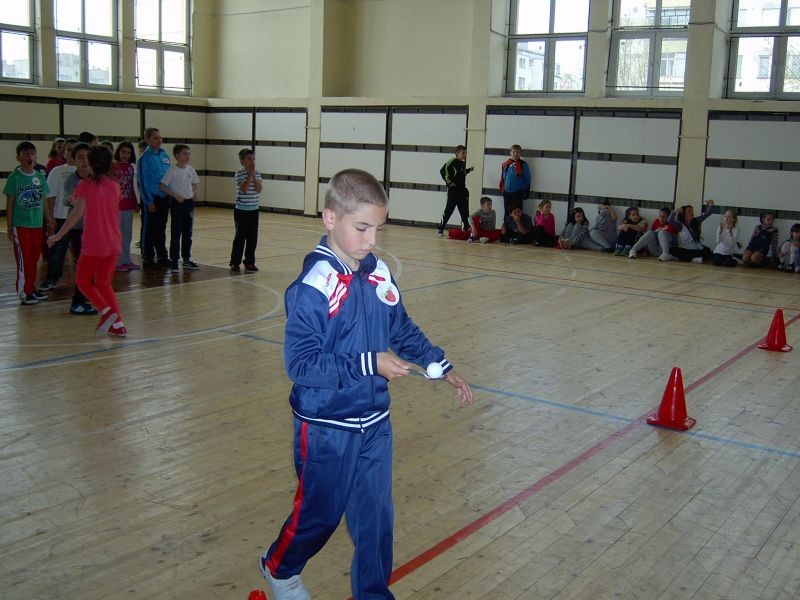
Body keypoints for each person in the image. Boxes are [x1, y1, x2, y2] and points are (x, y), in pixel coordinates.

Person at [259, 168, 473, 600]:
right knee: (320, 515)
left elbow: (400, 326)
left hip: (375, 422)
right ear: (330, 218)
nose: (372, 240)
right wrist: (370, 363)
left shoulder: (378, 273)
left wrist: (438, 362)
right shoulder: (313, 287)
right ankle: (279, 569)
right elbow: (301, 364)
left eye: (378, 228)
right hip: (325, 425)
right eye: (362, 228)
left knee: (375, 519)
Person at [48, 146, 126, 338]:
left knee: (82, 280)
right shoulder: (114, 185)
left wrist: (58, 235)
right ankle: (118, 325)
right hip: (113, 243)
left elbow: (76, 215)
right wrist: (79, 199)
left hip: (95, 243)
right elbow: (101, 204)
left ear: (92, 163)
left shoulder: (86, 185)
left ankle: (106, 311)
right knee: (104, 284)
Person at [4, 141, 51, 305]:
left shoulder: (39, 176)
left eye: (32, 153)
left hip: (37, 224)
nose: (29, 156)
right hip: (21, 225)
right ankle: (24, 291)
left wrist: (49, 220)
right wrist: (9, 225)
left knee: (34, 258)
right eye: (25, 153)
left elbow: (44, 200)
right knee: (24, 259)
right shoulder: (14, 178)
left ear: (36, 156)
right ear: (18, 157)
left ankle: (31, 287)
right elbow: (10, 203)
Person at [41, 138, 78, 291]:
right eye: (67, 149)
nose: (70, 152)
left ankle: (85, 281)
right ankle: (51, 279)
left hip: (81, 219)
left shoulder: (86, 171)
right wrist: (50, 217)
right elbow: (50, 196)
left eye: (73, 149)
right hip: (62, 217)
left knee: (83, 251)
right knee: (58, 250)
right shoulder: (57, 171)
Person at [160, 144, 200, 273]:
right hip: (177, 204)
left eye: (188, 154)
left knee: (188, 233)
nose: (187, 156)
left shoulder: (190, 169)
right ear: (177, 156)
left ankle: (186, 259)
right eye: (184, 154)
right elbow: (163, 186)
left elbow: (194, 184)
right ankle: (174, 261)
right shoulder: (172, 170)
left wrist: (195, 193)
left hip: (189, 203)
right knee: (176, 233)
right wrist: (175, 195)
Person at [137, 127, 171, 268]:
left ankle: (162, 256)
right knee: (150, 229)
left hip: (164, 197)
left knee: (161, 228)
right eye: (155, 138)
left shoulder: (164, 155)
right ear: (147, 139)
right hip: (152, 198)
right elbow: (142, 182)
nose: (159, 140)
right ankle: (148, 258)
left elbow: (169, 176)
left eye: (160, 137)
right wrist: (148, 201)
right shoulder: (144, 158)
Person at [230, 148, 262, 272]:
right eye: (249, 159)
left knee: (252, 238)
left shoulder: (257, 173)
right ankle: (235, 262)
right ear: (242, 161)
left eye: (253, 159)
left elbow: (259, 189)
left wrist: (253, 175)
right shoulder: (239, 173)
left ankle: (249, 262)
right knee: (240, 238)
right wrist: (249, 175)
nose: (252, 161)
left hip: (254, 210)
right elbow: (244, 189)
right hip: (241, 210)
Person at [111, 141, 140, 271]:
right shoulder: (113, 167)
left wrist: (135, 201)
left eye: (128, 152)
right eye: (123, 152)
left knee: (127, 235)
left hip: (128, 205)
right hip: (116, 206)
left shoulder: (130, 168)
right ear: (118, 152)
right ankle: (116, 261)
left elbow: (130, 186)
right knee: (117, 234)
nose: (125, 155)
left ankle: (126, 259)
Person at [438, 145, 473, 237]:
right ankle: (441, 228)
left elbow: (461, 173)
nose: (465, 155)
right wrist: (449, 182)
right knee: (449, 210)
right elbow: (443, 171)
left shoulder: (462, 163)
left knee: (465, 211)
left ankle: (467, 228)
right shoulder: (452, 162)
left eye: (466, 153)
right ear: (457, 153)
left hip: (462, 191)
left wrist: (469, 170)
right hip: (453, 192)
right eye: (463, 153)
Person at [498, 144, 531, 220]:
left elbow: (527, 179)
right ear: (510, 153)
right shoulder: (506, 164)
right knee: (507, 212)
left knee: (517, 213)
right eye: (514, 152)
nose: (515, 154)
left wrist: (522, 191)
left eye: (517, 152)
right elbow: (503, 178)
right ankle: (506, 226)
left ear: (520, 153)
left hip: (517, 193)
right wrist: (504, 189)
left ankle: (517, 227)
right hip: (507, 193)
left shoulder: (523, 165)